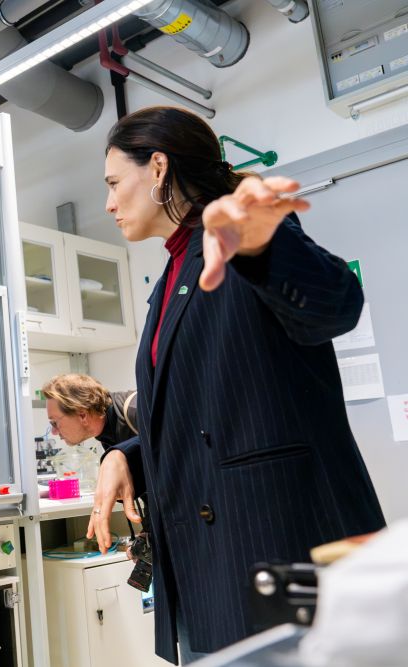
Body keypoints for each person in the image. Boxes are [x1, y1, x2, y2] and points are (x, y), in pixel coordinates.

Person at [87, 106, 385, 665]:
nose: (107, 203)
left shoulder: (240, 240)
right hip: (212, 560)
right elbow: (200, 409)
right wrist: (128, 456)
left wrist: (262, 244)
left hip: (280, 540)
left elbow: (335, 308)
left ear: (157, 169)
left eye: (112, 183)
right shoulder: (169, 276)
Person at [42, 373, 137, 449]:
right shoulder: (106, 433)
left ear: (83, 415)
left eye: (54, 422)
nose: (54, 432)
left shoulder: (135, 412)